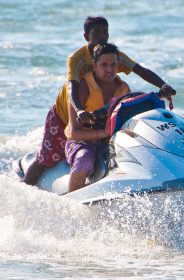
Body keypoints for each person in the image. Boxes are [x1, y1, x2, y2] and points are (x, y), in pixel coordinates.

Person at [23, 16, 175, 186]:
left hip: (96, 116)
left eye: (105, 31)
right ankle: (25, 186)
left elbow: (141, 71)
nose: (102, 36)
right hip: (66, 111)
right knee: (48, 158)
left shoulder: (118, 74)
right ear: (86, 37)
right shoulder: (77, 60)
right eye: (97, 32)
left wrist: (163, 86)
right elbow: (72, 88)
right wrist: (80, 110)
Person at [65, 43, 130, 192]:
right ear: (94, 65)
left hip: (112, 142)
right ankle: (73, 202)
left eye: (113, 65)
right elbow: (75, 132)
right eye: (104, 65)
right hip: (82, 143)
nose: (109, 69)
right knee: (84, 159)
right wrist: (103, 133)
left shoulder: (124, 88)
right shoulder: (82, 88)